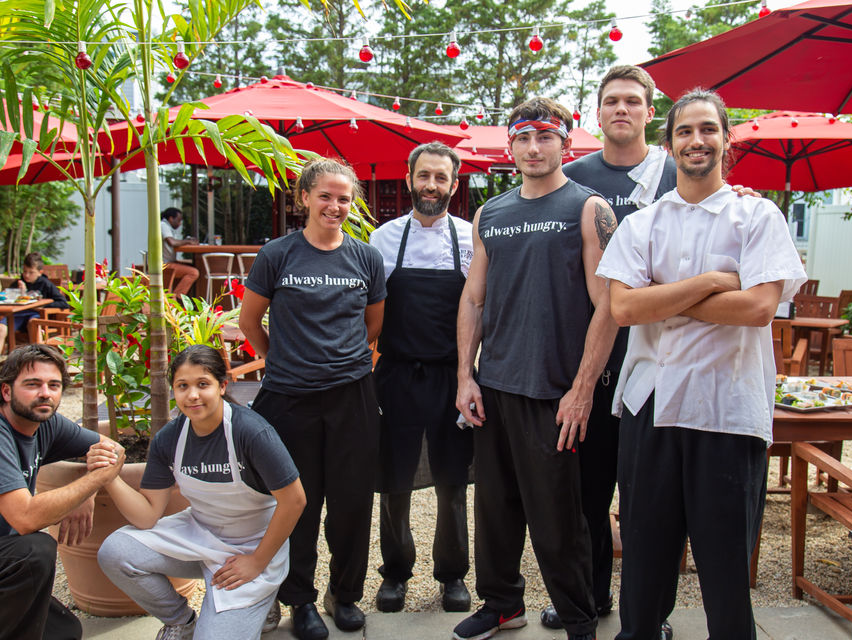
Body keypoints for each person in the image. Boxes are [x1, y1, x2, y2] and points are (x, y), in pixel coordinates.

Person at [596, 89, 806, 640]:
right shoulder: (641, 224)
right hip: (652, 407)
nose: (697, 140)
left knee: (726, 565)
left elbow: (759, 308)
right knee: (643, 559)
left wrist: (663, 295)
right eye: (685, 131)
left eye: (708, 129)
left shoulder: (758, 217)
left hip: (728, 409)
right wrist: (715, 282)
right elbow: (622, 307)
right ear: (668, 145)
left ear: (726, 140)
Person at [454, 97, 617, 640]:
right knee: (495, 512)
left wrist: (583, 389)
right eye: (523, 137)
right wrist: (465, 377)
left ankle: (578, 620)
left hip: (554, 392)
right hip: (495, 387)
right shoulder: (490, 214)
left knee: (558, 522)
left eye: (545, 136)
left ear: (565, 143)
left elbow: (609, 305)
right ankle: (501, 604)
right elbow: (473, 300)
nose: (533, 147)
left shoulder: (588, 208)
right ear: (510, 146)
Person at [540, 64, 676, 634]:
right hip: (592, 367)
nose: (621, 109)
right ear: (597, 114)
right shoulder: (570, 179)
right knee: (587, 500)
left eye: (632, 101)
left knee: (651, 506)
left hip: (662, 364)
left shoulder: (676, 174)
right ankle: (591, 599)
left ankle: (648, 616)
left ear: (649, 111)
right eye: (611, 101)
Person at [238, 158, 386, 640]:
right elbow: (249, 323)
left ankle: (344, 595)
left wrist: (341, 361)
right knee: (296, 503)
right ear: (303, 198)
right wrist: (280, 360)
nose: (335, 206)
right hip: (288, 398)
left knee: (351, 503)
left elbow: (373, 325)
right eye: (325, 195)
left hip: (352, 397)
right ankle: (299, 599)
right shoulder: (277, 254)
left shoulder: (366, 258)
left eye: (344, 198)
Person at [97, 345, 306, 640]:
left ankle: (265, 598)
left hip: (251, 546)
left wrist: (257, 561)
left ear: (222, 386)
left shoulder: (252, 433)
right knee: (115, 551)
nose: (192, 395)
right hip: (200, 534)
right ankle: (181, 620)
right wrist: (109, 478)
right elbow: (147, 516)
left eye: (202, 384)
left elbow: (295, 500)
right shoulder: (169, 439)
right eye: (183, 386)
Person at [0, 344, 125, 640]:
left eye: (54, 385)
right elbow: (25, 518)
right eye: (32, 385)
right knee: (33, 553)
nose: (45, 393)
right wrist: (91, 483)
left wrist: (87, 494)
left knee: (63, 631)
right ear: (6, 392)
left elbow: (114, 449)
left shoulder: (46, 424)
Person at [368, 142, 474, 614]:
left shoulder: (472, 239)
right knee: (394, 480)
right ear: (409, 178)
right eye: (424, 176)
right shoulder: (383, 240)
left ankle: (452, 575)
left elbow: (481, 309)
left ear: (454, 184)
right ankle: (395, 572)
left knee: (453, 481)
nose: (432, 185)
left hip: (453, 377)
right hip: (396, 374)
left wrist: (472, 375)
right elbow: (369, 312)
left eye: (441, 178)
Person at [0, 252, 70, 364]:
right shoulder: (18, 283)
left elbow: (63, 303)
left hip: (34, 315)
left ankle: (36, 361)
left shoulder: (45, 284)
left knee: (34, 324)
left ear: (40, 272)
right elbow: (6, 298)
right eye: (25, 272)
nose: (27, 275)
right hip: (17, 315)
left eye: (31, 272)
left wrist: (42, 305)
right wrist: (20, 292)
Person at [161, 207, 200, 296]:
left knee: (190, 265)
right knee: (193, 272)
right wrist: (188, 241)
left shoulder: (166, 227)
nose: (180, 223)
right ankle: (176, 297)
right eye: (178, 220)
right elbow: (172, 242)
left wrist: (186, 241)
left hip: (168, 262)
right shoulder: (163, 225)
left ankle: (174, 297)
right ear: (171, 218)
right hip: (164, 264)